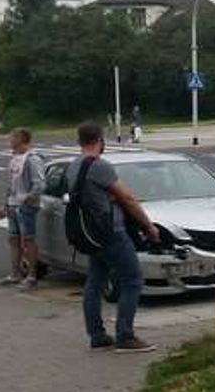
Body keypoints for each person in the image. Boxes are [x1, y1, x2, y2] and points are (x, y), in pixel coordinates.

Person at [67, 121, 159, 352]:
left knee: (95, 282)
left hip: (91, 233)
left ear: (79, 141)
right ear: (100, 139)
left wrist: (111, 197)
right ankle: (125, 336)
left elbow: (91, 195)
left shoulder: (73, 166)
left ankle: (97, 335)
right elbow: (127, 198)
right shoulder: (100, 166)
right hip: (111, 232)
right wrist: (148, 226)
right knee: (133, 279)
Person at [0, 128, 45, 290]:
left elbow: (40, 184)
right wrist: (6, 204)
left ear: (21, 140)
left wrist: (27, 200)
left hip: (26, 206)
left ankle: (32, 276)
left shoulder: (32, 159)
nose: (9, 141)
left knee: (29, 240)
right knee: (13, 239)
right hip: (13, 205)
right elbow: (12, 185)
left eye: (12, 138)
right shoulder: (14, 158)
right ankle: (15, 274)